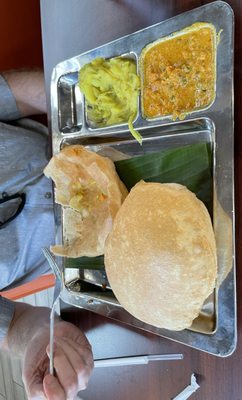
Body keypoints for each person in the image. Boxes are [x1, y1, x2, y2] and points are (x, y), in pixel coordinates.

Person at [0, 70, 94, 399]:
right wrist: (40, 340)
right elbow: (14, 327)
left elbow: (17, 96)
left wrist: (83, 98)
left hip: (82, 139)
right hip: (94, 253)